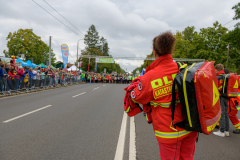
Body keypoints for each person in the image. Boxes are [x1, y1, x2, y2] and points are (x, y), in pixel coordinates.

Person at [125, 32, 197, 160]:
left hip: (168, 131)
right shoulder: (183, 69)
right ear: (171, 50)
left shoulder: (150, 76)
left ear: (154, 52)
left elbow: (137, 96)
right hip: (190, 126)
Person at [213, 64, 229, 137]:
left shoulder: (218, 77)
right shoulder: (227, 76)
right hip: (227, 96)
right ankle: (226, 130)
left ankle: (221, 131)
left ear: (216, 69)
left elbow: (215, 87)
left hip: (220, 96)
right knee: (226, 112)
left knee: (221, 113)